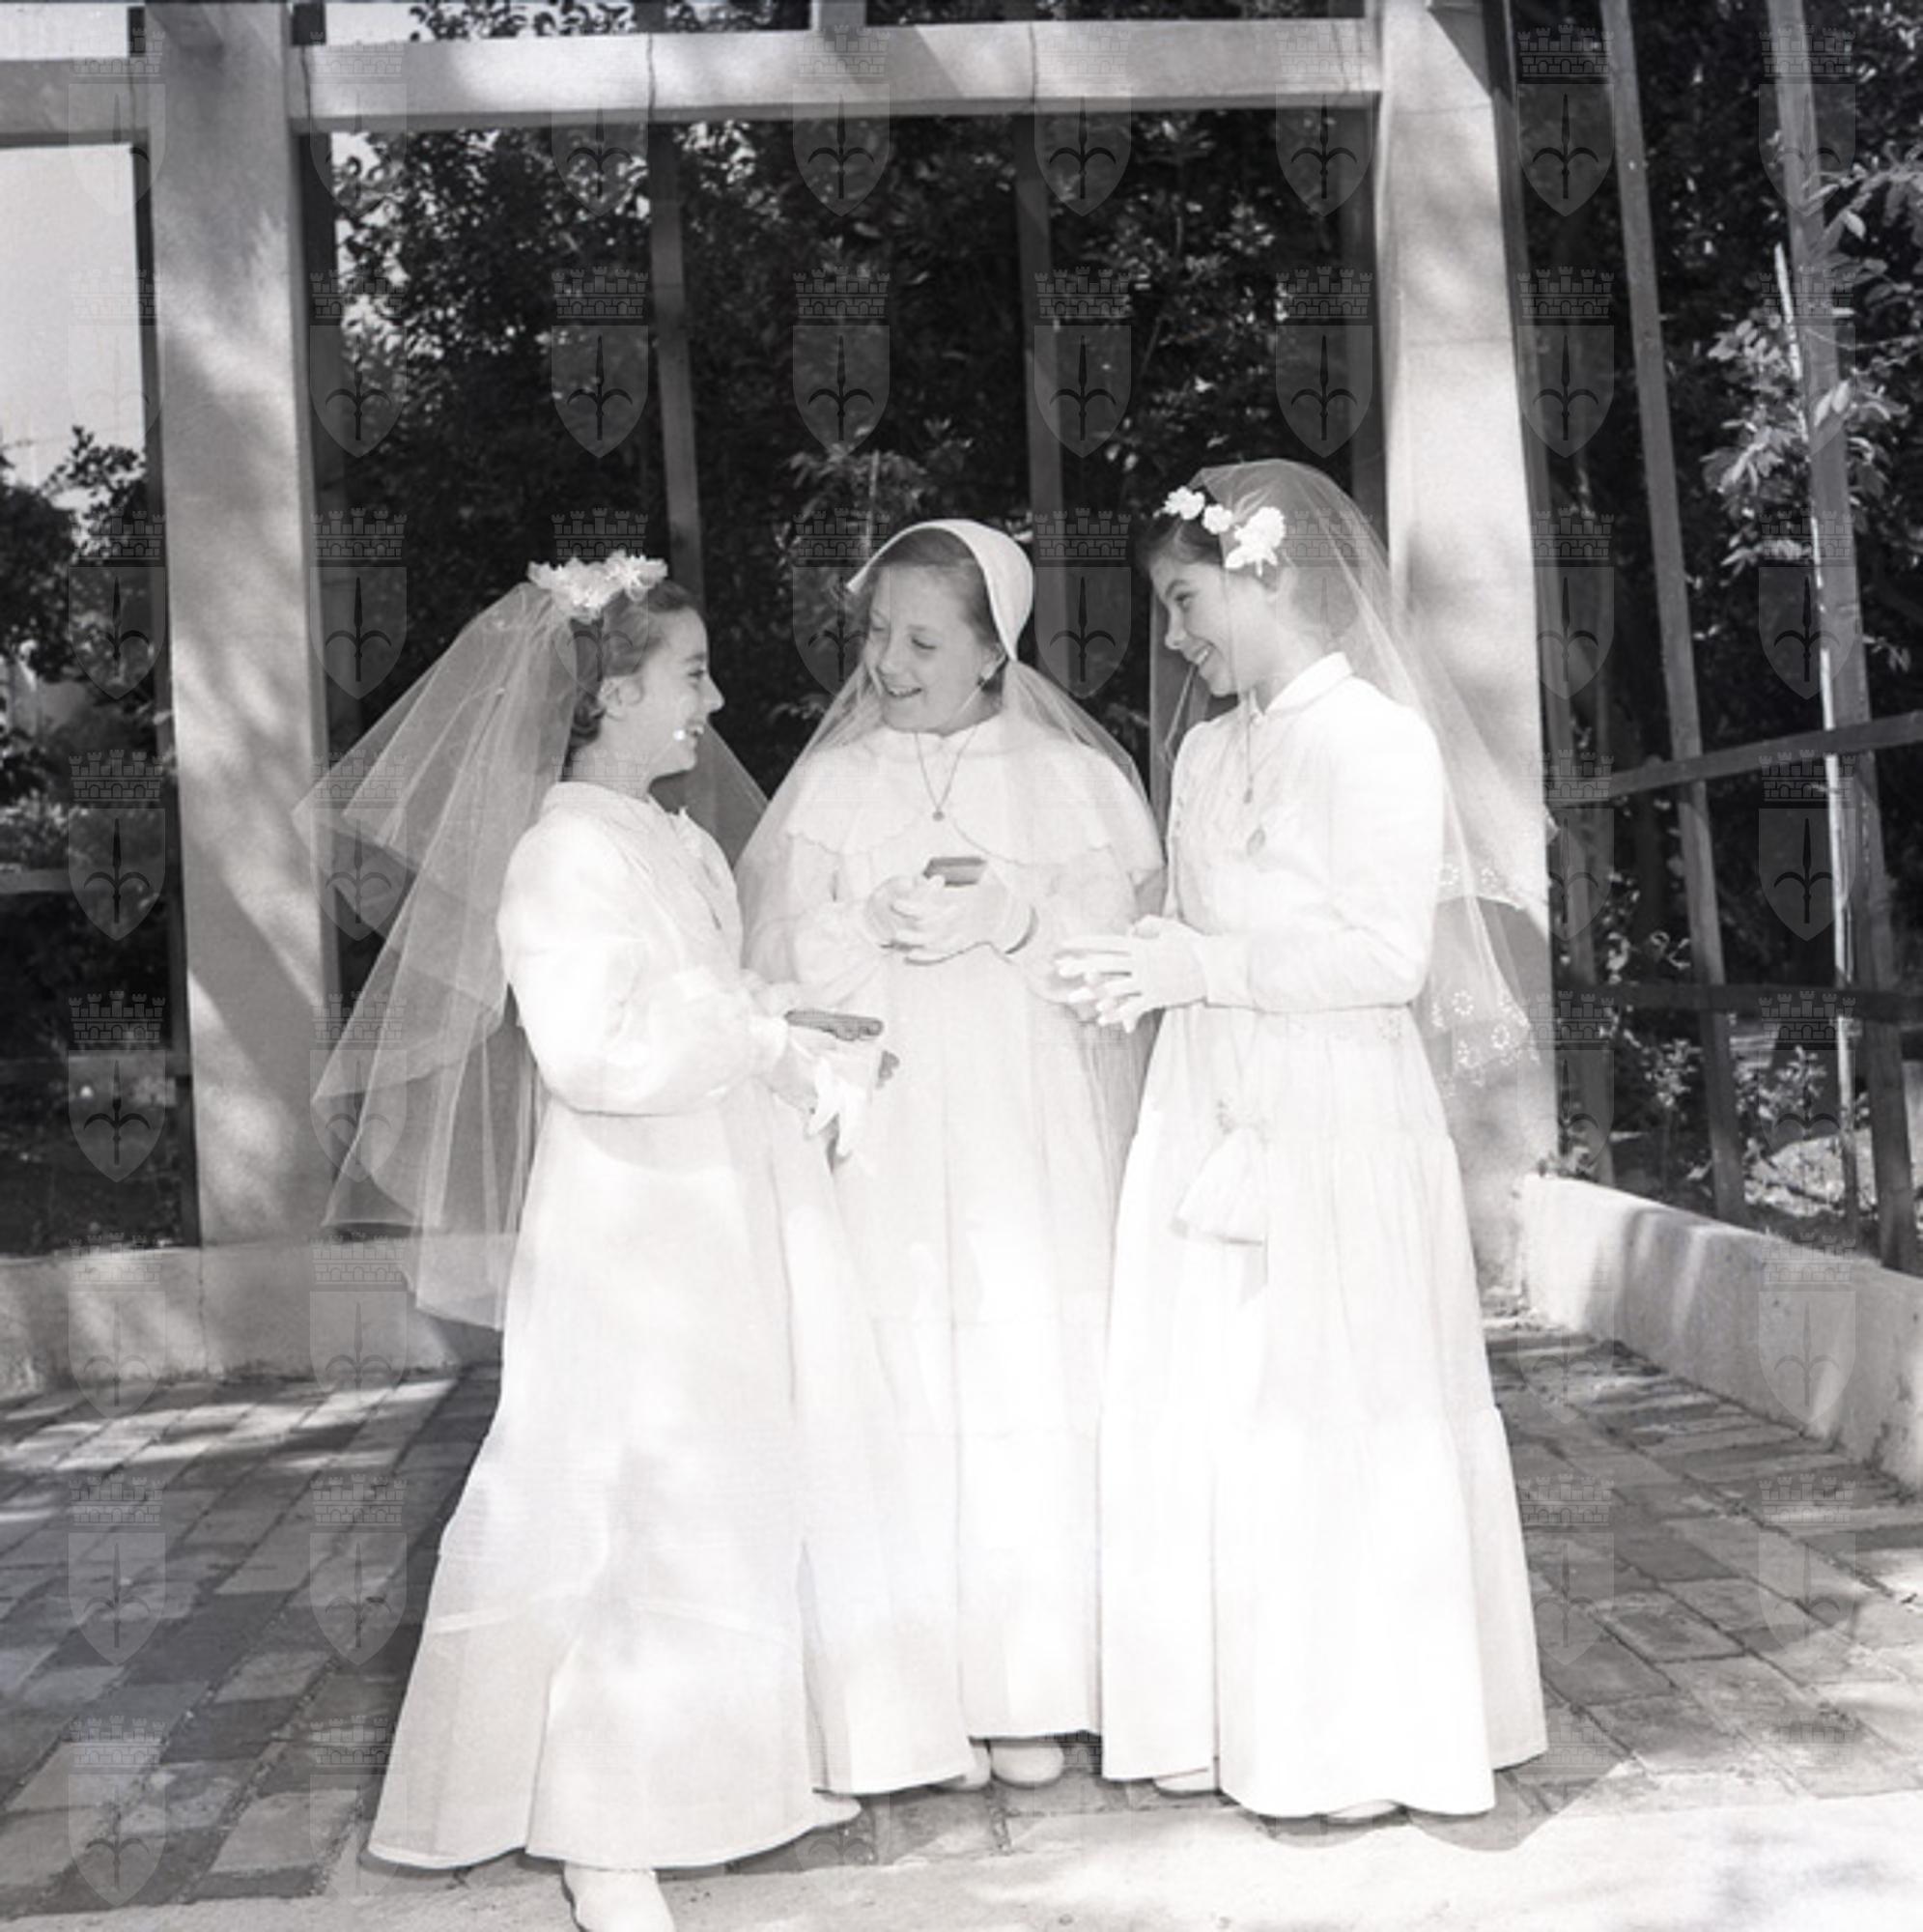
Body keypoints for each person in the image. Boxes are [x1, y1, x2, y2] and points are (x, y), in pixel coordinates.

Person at [305, 554, 966, 1932]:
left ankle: (721, 1778)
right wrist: (760, 1034)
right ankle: (600, 1826)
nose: (712, 703)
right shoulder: (560, 853)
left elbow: (709, 995)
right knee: (618, 1487)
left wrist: (794, 1022)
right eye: (691, 677)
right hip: (631, 1217)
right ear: (611, 695)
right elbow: (595, 1051)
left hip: (716, 1197)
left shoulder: (672, 840)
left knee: (723, 1477)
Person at [1063, 462, 1546, 1822]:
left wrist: (1202, 967)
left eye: (1185, 601)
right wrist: (1143, 962)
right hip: (1210, 1096)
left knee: (1332, 1394)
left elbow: (1387, 958)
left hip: (1335, 1108)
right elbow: (1200, 923)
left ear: (1267, 575)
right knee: (1219, 1394)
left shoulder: (1376, 741)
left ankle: (1367, 1736)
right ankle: (1234, 1719)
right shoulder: (1207, 754)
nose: (1173, 638)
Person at [737, 520, 1164, 1789]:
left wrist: (1018, 918)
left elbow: (1120, 969)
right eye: (878, 634)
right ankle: (909, 1691)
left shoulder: (1072, 782)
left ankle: (1031, 1682)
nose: (888, 663)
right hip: (883, 1120)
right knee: (897, 1367)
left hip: (1026, 1118)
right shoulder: (833, 787)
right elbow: (776, 967)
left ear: (992, 652)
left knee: (1025, 1360)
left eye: (924, 642)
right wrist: (860, 924)